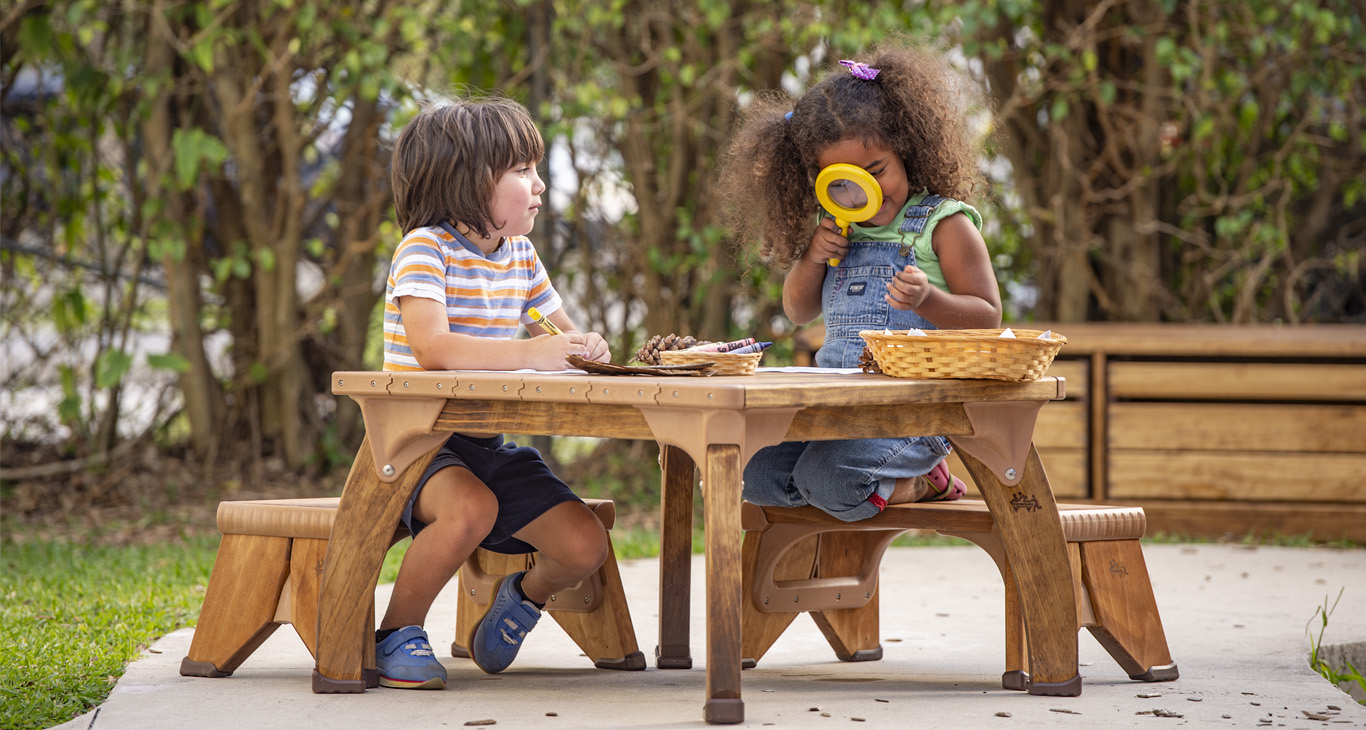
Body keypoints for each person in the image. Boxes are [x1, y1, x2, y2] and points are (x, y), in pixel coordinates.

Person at [375, 97, 611, 689]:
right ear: (467, 182)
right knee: (470, 507)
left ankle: (522, 598)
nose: (540, 185)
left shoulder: (522, 256)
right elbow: (434, 349)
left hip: (486, 446)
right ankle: (396, 632)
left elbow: (560, 336)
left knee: (586, 545)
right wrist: (540, 352)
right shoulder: (424, 249)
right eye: (523, 171)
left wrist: (586, 349)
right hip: (415, 449)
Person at [717, 42, 1003, 522]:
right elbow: (798, 310)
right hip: (838, 409)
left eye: (877, 172)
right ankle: (857, 487)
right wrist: (811, 257)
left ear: (906, 151)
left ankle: (916, 483)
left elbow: (988, 316)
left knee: (830, 480)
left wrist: (928, 299)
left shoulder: (944, 225)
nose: (867, 193)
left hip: (918, 413)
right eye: (845, 182)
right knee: (748, 473)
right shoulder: (836, 229)